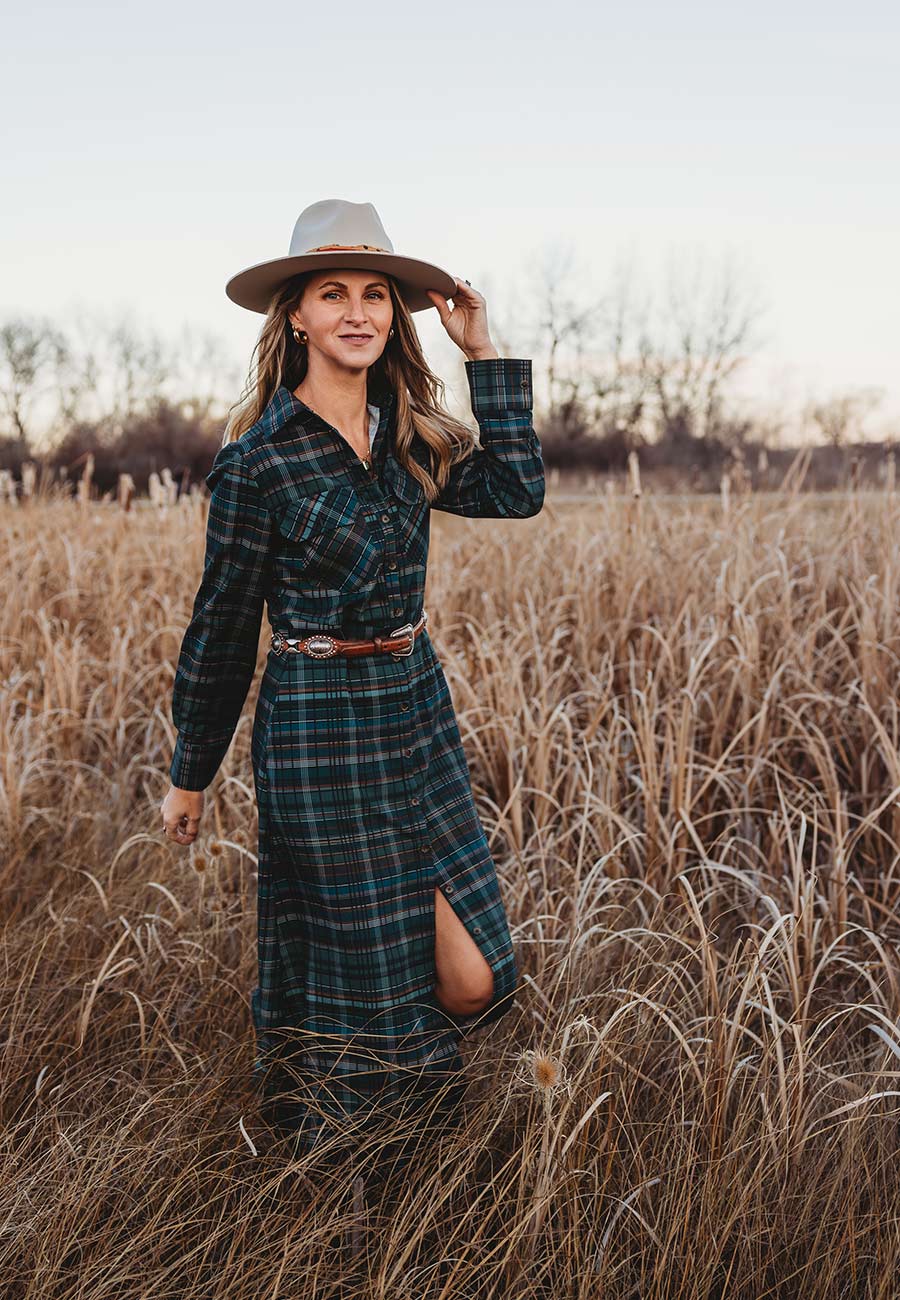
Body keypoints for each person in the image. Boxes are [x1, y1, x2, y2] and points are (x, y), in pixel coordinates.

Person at [160, 199, 545, 1163]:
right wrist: (190, 773)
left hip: (416, 709)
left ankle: (379, 1131)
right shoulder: (258, 461)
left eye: (375, 294)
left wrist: (482, 352)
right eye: (333, 293)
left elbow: (517, 491)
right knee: (370, 970)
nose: (358, 312)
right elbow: (222, 625)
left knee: (474, 976)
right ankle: (361, 1165)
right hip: (317, 726)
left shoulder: (409, 433)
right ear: (295, 315)